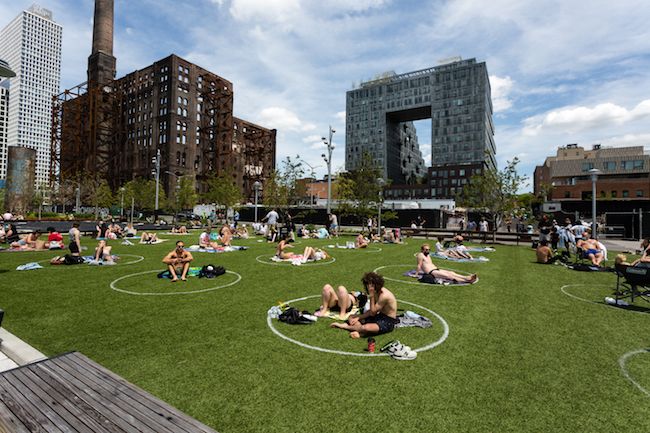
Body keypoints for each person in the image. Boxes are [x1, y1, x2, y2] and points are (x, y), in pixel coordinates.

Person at [331, 272, 398, 338]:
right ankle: (361, 331)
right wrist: (358, 317)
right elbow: (372, 311)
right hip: (379, 316)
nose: (369, 288)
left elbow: (372, 313)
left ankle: (346, 327)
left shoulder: (384, 295)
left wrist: (371, 295)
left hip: (388, 321)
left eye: (370, 285)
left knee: (367, 327)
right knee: (351, 317)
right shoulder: (375, 292)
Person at [411, 244, 478, 283]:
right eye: (426, 249)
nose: (428, 251)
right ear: (422, 250)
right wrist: (416, 274)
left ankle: (467, 277)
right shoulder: (420, 255)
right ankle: (466, 280)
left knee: (451, 272)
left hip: (435, 269)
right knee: (449, 276)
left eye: (428, 249)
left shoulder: (427, 255)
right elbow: (419, 265)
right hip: (431, 272)